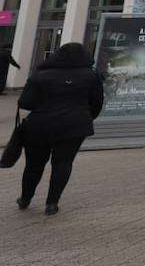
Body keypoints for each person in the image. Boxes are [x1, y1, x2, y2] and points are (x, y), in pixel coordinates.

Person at [14, 42, 103, 214]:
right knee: (63, 162)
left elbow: (26, 102)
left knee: (34, 164)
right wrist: (84, 116)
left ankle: (25, 198)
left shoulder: (41, 75)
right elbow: (97, 103)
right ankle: (52, 203)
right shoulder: (91, 76)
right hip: (75, 125)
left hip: (40, 124)